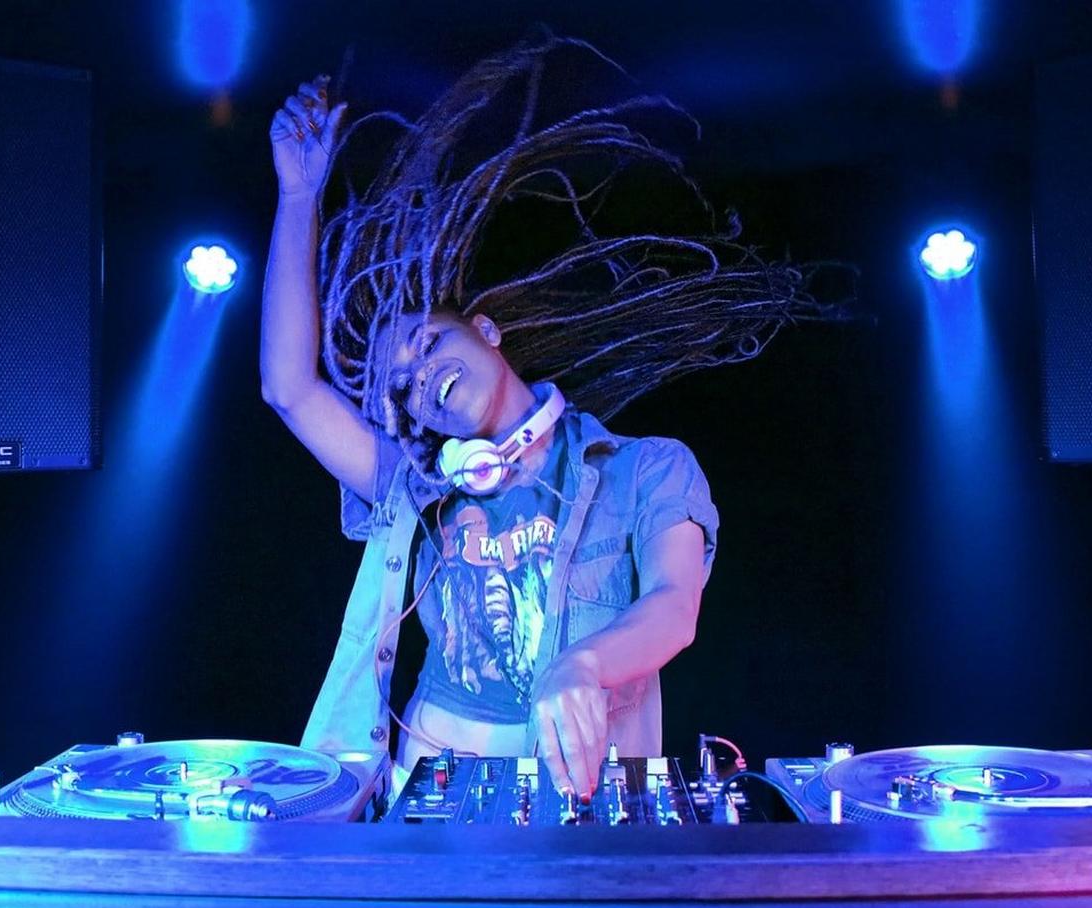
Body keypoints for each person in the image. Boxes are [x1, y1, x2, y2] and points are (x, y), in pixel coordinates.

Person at [260, 37, 825, 799]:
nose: (424, 377)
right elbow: (290, 387)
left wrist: (581, 664)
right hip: (426, 790)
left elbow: (674, 604)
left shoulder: (645, 467)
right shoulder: (415, 489)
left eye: (429, 344)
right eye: (406, 388)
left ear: (487, 331)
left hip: (577, 797)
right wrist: (299, 196)